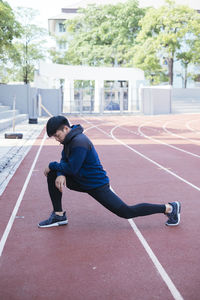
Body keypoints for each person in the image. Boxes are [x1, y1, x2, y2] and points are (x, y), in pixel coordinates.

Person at [38, 116, 181, 228]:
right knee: (52, 174)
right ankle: (58, 215)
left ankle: (169, 208)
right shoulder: (69, 139)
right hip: (81, 179)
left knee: (126, 212)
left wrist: (53, 165)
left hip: (95, 184)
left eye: (57, 135)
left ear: (65, 129)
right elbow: (64, 160)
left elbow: (72, 169)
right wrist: (59, 173)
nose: (57, 140)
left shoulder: (79, 142)